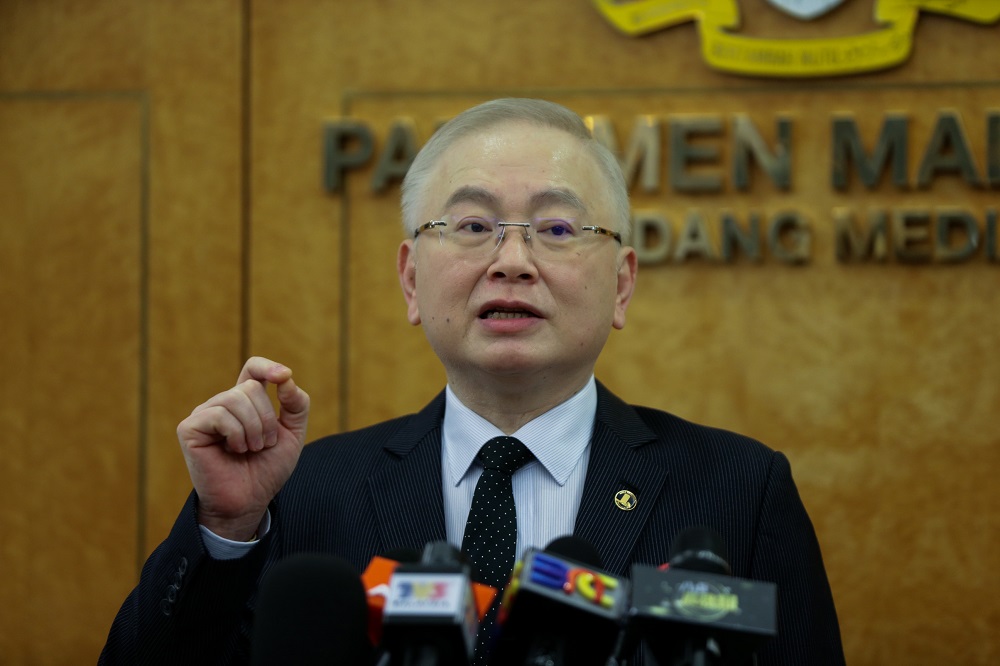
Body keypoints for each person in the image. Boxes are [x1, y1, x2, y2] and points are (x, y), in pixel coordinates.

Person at [100, 98, 845, 665]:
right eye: (470, 226)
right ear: (410, 281)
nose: (512, 261)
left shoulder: (740, 491)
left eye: (556, 230)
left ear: (621, 287)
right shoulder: (300, 495)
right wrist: (225, 530)